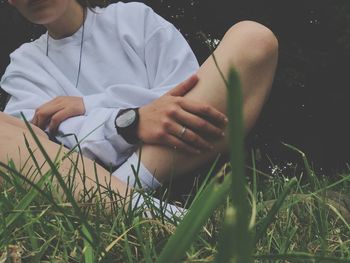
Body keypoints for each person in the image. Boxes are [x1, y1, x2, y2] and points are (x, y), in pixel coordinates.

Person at [0, 0, 278, 213]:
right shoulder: (24, 65)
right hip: (81, 177)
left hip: (172, 155)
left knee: (252, 37)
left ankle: (112, 196)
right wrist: (129, 122)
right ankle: (136, 203)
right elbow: (31, 148)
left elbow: (189, 95)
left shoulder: (133, 18)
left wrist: (88, 106)